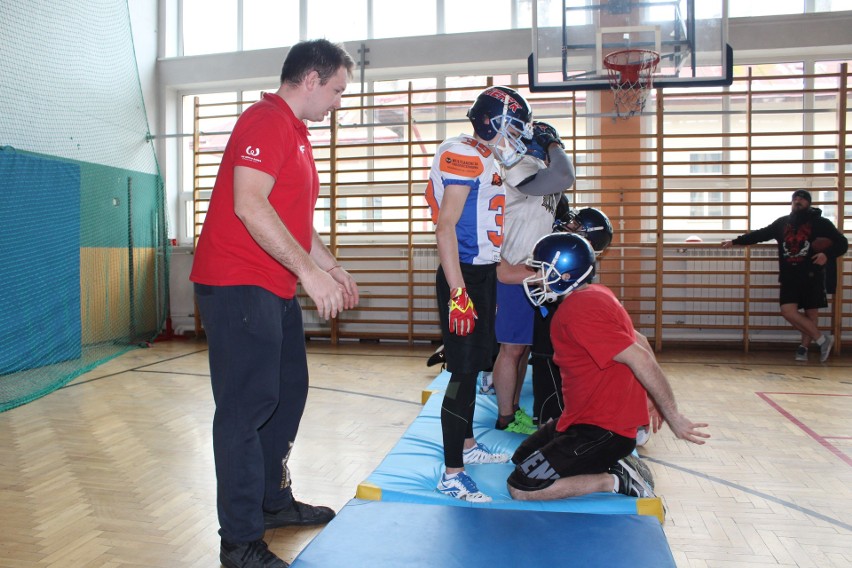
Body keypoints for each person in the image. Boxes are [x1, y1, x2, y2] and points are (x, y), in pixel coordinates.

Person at [190, 39, 359, 568]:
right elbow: (249, 204)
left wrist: (329, 266)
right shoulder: (265, 120)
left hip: (273, 285)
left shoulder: (297, 132)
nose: (338, 101)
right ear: (310, 79)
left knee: (287, 394)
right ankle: (239, 543)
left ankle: (273, 501)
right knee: (245, 411)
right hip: (238, 283)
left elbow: (294, 225)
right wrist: (309, 274)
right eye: (336, 90)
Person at [507, 233, 709, 501]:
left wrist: (672, 414)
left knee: (521, 487)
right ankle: (608, 461)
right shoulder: (595, 293)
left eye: (542, 271)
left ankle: (612, 480)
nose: (534, 278)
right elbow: (640, 340)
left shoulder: (577, 312)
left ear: (566, 275)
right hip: (583, 417)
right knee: (521, 457)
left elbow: (641, 358)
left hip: (603, 429)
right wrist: (650, 399)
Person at [425, 85, 533, 502]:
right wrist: (458, 291)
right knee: (463, 371)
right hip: (464, 274)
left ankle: (467, 445)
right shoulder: (462, 152)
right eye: (512, 126)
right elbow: (446, 226)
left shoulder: (484, 154)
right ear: (492, 120)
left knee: (476, 363)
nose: (516, 136)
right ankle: (452, 472)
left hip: (482, 271)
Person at [492, 121, 575, 436]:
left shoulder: (537, 169)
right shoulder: (520, 166)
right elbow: (566, 174)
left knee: (523, 348)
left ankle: (512, 410)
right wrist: (554, 145)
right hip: (514, 270)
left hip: (532, 271)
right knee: (511, 349)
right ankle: (505, 416)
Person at [721, 189, 847, 362]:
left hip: (812, 275)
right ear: (791, 202)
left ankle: (804, 348)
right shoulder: (782, 223)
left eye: (802, 199)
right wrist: (736, 241)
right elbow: (761, 234)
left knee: (811, 314)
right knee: (788, 312)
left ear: (809, 203)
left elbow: (843, 243)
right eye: (795, 198)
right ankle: (823, 339)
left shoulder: (821, 223)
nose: (798, 201)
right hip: (789, 275)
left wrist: (827, 254)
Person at [531, 205, 613, 428]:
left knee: (550, 366)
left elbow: (636, 351)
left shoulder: (578, 307)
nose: (568, 225)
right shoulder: (591, 295)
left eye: (576, 225)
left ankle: (553, 422)